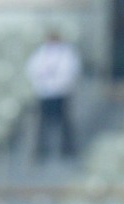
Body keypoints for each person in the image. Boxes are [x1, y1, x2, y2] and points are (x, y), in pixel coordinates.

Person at [25, 30, 82, 161]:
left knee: (65, 123)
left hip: (61, 92)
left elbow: (71, 71)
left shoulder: (67, 53)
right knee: (42, 123)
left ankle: (67, 149)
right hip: (44, 92)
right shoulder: (40, 53)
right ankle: (41, 150)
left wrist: (60, 83)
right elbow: (33, 69)